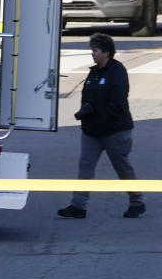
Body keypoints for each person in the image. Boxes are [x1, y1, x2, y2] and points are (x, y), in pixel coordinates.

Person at [58, 33, 145, 219]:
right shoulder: (94, 71)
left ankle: (137, 201)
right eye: (92, 50)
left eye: (96, 50)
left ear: (106, 52)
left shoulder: (117, 71)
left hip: (115, 130)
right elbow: (88, 97)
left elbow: (119, 101)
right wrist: (86, 114)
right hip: (92, 131)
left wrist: (103, 118)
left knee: (122, 167)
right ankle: (78, 206)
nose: (93, 54)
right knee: (85, 167)